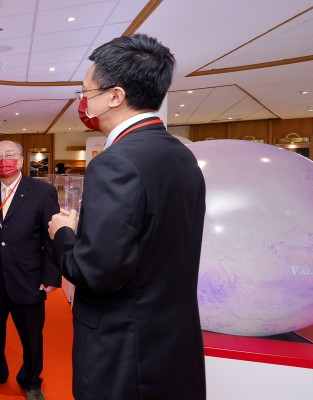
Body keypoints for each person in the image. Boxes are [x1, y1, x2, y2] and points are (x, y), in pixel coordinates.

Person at [48, 33, 206, 400]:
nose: (84, 102)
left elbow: (95, 272)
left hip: (125, 350)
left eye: (87, 93)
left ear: (115, 96)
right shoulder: (181, 156)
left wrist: (64, 233)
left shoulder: (116, 163)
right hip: (170, 343)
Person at [0, 140, 60, 400]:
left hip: (27, 277)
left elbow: (50, 237)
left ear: (20, 160)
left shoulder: (42, 191)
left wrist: (51, 275)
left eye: (9, 155)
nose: (2, 160)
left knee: (31, 334)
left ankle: (31, 379)